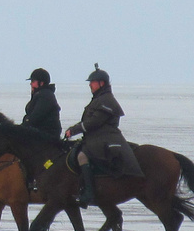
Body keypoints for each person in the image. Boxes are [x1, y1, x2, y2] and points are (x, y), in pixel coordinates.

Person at [63, 64, 140, 206]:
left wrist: (73, 130)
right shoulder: (99, 98)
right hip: (98, 138)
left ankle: (89, 193)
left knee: (82, 156)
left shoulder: (106, 100)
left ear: (101, 83)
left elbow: (93, 122)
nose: (90, 85)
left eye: (92, 82)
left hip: (105, 139)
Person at [21, 69, 62, 140]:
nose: (31, 84)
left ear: (41, 83)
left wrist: (20, 128)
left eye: (33, 81)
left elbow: (35, 117)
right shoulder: (39, 94)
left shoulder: (45, 95)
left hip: (47, 135)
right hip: (40, 133)